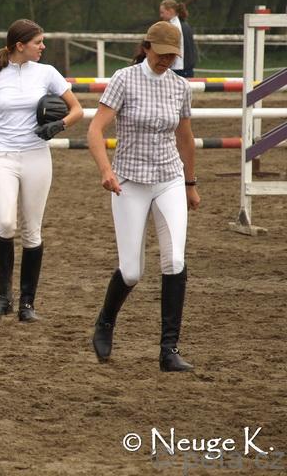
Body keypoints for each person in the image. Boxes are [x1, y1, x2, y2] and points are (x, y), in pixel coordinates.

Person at [87, 21, 200, 372]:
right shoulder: (124, 79)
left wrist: (190, 183)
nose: (166, 61)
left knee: (175, 260)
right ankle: (106, 320)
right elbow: (95, 129)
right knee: (132, 271)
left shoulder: (180, 87)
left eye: (172, 56)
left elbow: (185, 137)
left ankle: (169, 350)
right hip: (129, 181)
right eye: (161, 54)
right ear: (147, 47)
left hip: (168, 178)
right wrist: (106, 170)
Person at [0, 19, 83, 320]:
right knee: (6, 223)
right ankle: (2, 297)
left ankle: (27, 304)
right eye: (38, 42)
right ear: (20, 45)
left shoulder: (47, 73)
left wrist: (58, 125)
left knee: (32, 230)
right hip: (4, 156)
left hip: (36, 157)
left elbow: (77, 109)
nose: (43, 46)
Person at [159, 0, 197, 77]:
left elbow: (171, 49)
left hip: (178, 69)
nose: (161, 15)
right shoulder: (184, 24)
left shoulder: (174, 26)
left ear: (170, 11)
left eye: (162, 12)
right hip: (187, 68)